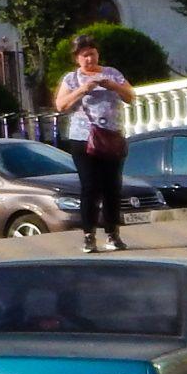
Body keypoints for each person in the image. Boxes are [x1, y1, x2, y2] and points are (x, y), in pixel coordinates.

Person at [54, 37, 132, 252]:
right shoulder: (71, 79)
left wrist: (113, 86)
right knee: (90, 186)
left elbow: (130, 96)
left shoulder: (112, 73)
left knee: (112, 186)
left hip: (111, 137)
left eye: (93, 53)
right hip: (83, 139)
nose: (90, 58)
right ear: (77, 58)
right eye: (85, 55)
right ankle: (89, 235)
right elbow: (61, 105)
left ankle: (113, 233)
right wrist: (82, 90)